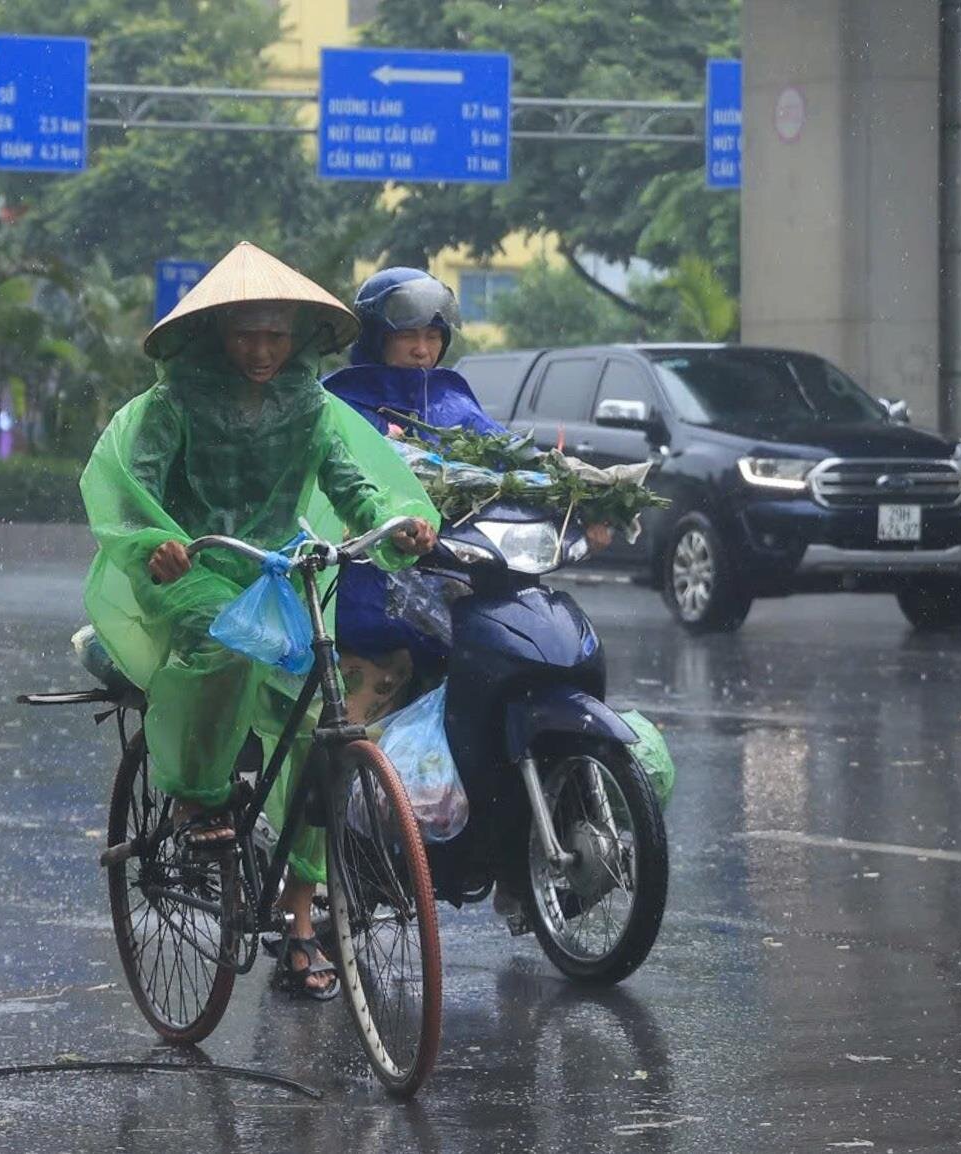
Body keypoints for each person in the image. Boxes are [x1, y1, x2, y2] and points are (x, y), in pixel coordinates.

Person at [80, 242, 439, 1001]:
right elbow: (130, 489)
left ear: (297, 340)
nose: (261, 351)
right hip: (191, 571)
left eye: (276, 337)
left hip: (274, 569)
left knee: (319, 724)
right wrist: (157, 547)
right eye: (247, 334)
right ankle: (197, 793)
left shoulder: (308, 405)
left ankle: (301, 926)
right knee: (228, 646)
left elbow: (351, 485)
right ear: (215, 335)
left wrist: (394, 522)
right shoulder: (170, 406)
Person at [323, 267, 612, 722]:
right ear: (377, 337)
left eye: (433, 336)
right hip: (368, 595)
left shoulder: (453, 401)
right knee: (348, 741)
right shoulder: (337, 406)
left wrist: (583, 508)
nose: (423, 350)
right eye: (408, 337)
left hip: (460, 584)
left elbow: (514, 463)